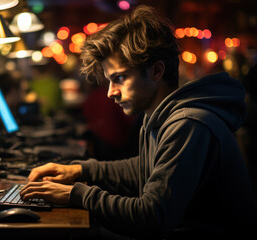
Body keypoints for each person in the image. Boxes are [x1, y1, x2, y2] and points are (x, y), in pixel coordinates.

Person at [20, 5, 257, 239]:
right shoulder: (158, 114)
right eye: (109, 81)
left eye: (120, 78)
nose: (110, 92)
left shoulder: (188, 124)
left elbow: (152, 218)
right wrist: (79, 169)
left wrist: (76, 194)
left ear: (156, 71)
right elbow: (145, 168)